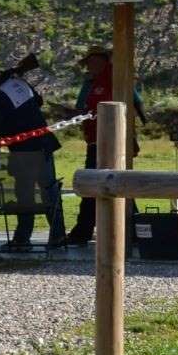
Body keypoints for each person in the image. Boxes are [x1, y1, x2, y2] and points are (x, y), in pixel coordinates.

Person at [0, 53, 64, 252]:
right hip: (44, 143)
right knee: (50, 191)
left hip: (24, 149)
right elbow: (38, 101)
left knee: (25, 195)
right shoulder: (17, 82)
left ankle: (22, 238)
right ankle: (57, 236)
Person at [65, 46, 146, 245]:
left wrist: (132, 136)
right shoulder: (91, 82)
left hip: (112, 142)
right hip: (95, 140)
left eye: (94, 61)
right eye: (89, 62)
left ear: (104, 61)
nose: (90, 66)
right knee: (105, 185)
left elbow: (135, 103)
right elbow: (84, 106)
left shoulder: (116, 78)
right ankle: (134, 230)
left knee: (103, 184)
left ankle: (84, 232)